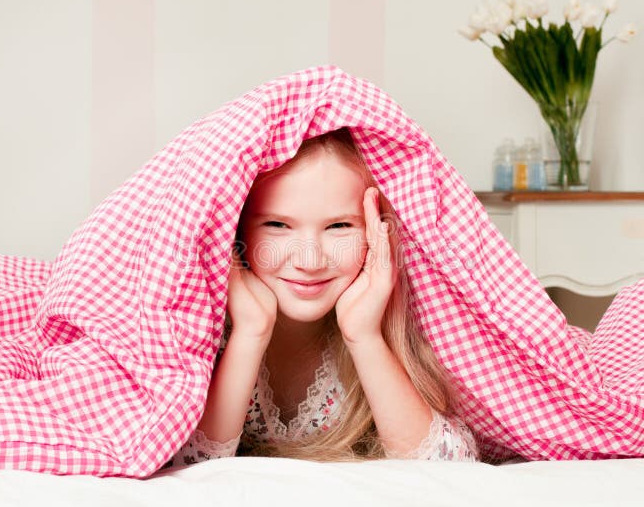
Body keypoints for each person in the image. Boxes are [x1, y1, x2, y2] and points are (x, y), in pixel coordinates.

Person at [164, 128, 478, 467]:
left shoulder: (394, 321)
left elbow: (449, 468)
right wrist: (249, 333)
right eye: (277, 225)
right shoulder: (200, 326)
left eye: (340, 227)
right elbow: (182, 464)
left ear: (376, 233)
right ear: (235, 230)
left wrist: (365, 336)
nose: (310, 261)